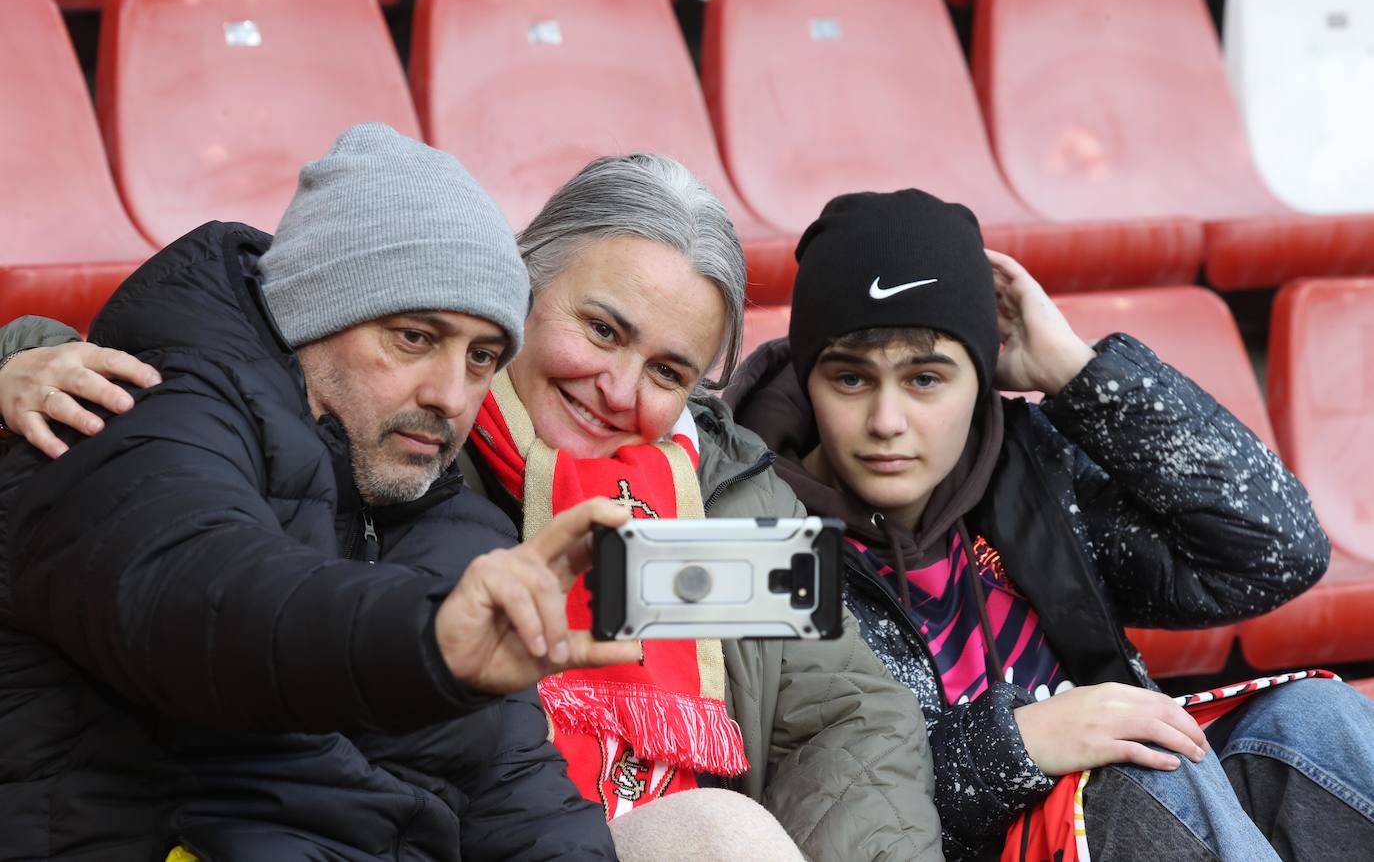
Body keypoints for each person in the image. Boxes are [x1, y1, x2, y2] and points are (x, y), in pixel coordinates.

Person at [0, 156, 946, 862]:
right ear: (519, 285)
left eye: (667, 372)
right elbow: (174, 411)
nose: (620, 391)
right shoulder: (403, 433)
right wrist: (15, 358)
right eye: (601, 329)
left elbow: (849, 715)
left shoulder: (712, 497)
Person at [0, 123, 640, 861]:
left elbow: (516, 793)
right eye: (413, 337)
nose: (450, 395)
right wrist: (429, 639)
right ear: (313, 312)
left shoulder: (453, 521)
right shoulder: (136, 411)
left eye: (482, 357)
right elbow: (207, 594)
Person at [723, 188, 1374, 862]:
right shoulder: (754, 530)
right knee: (1140, 772)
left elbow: (1276, 550)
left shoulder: (1025, 472)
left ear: (980, 377)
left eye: (926, 379)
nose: (888, 421)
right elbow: (800, 815)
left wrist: (1075, 372)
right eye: (852, 380)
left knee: (1314, 722)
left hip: (1114, 827)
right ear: (809, 376)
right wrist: (1016, 744)